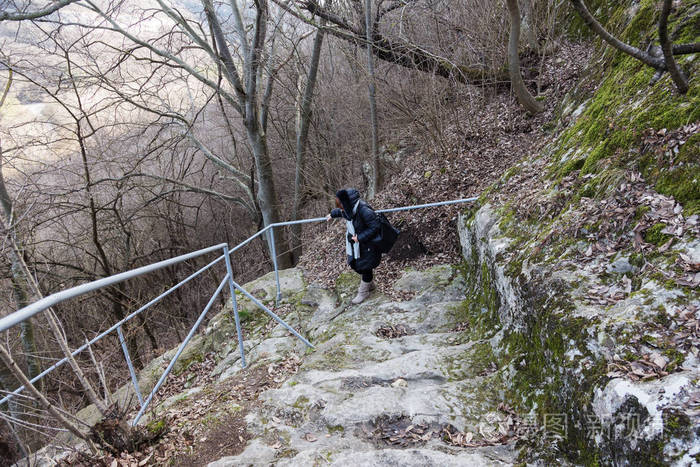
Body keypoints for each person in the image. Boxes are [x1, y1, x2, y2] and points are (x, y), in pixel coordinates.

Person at [326, 188, 382, 304]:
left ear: (347, 203)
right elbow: (342, 213)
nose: (342, 209)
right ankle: (369, 284)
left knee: (365, 267)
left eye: (342, 206)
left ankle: (363, 292)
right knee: (356, 265)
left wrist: (360, 237)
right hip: (357, 244)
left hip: (367, 244)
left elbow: (375, 227)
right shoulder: (350, 209)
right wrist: (332, 214)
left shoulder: (364, 210)